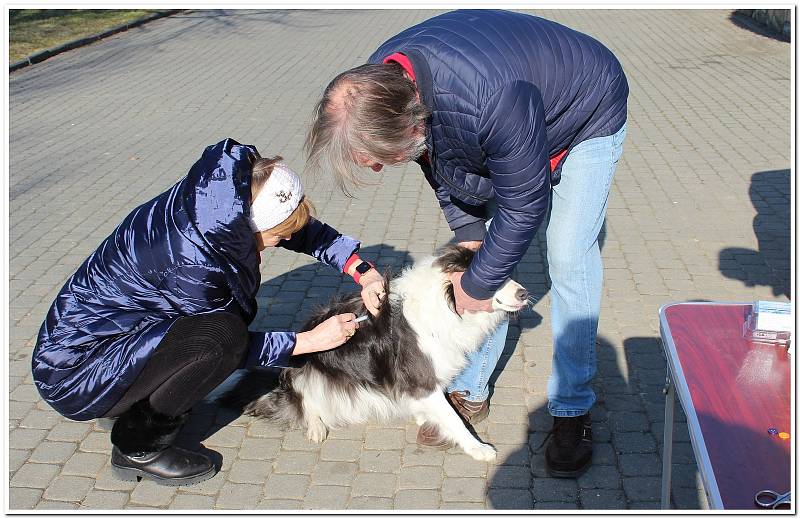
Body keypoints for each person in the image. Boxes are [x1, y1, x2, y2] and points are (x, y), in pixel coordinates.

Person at [305, 9, 628, 478]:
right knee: (478, 261)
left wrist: (478, 284)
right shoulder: (382, 85)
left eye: (377, 158)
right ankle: (470, 388)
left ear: (412, 122)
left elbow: (523, 204)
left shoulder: (491, 99)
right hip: (508, 112)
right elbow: (443, 169)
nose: (376, 169)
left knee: (568, 256)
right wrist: (472, 241)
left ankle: (572, 409)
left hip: (584, 111)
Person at [32, 138, 384, 486]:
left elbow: (298, 232)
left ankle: (134, 401)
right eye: (276, 237)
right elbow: (232, 348)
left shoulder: (223, 202)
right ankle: (137, 446)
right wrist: (308, 341)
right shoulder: (193, 261)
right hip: (75, 374)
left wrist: (362, 271)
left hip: (109, 343)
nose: (280, 242)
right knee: (223, 338)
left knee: (219, 332)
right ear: (254, 226)